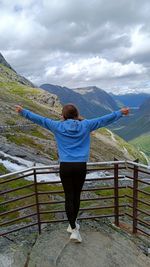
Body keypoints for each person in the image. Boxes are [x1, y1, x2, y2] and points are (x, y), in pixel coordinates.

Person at [16, 103, 129, 242]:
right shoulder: (86, 125)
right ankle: (73, 227)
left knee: (69, 196)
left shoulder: (57, 125)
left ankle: (73, 228)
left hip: (65, 166)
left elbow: (40, 119)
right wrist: (121, 112)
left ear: (63, 116)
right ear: (77, 114)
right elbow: (104, 119)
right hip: (80, 166)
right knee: (76, 196)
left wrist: (23, 111)